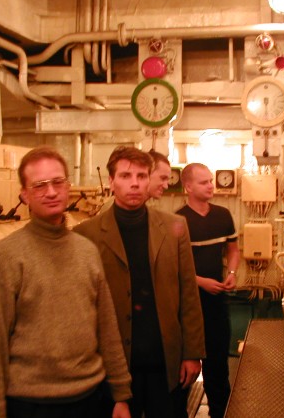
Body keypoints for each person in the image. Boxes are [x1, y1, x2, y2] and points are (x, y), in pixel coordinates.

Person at [0, 146, 132, 418]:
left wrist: (121, 394)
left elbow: (107, 327)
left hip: (89, 398)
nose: (51, 192)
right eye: (39, 185)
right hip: (30, 404)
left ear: (68, 187)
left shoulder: (86, 251)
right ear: (24, 194)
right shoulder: (7, 255)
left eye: (58, 182)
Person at [74, 146, 205, 418]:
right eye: (125, 176)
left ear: (148, 180)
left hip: (164, 361)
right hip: (114, 365)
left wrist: (192, 353)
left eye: (141, 176)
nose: (134, 183)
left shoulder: (174, 227)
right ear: (111, 182)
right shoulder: (86, 234)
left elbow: (188, 293)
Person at [175, 163, 240, 418]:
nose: (211, 186)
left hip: (216, 302)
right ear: (188, 187)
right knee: (184, 370)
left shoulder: (223, 216)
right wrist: (201, 282)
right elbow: (173, 266)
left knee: (218, 368)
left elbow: (233, 250)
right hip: (188, 305)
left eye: (211, 180)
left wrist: (231, 273)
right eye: (204, 182)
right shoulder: (178, 221)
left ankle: (219, 413)